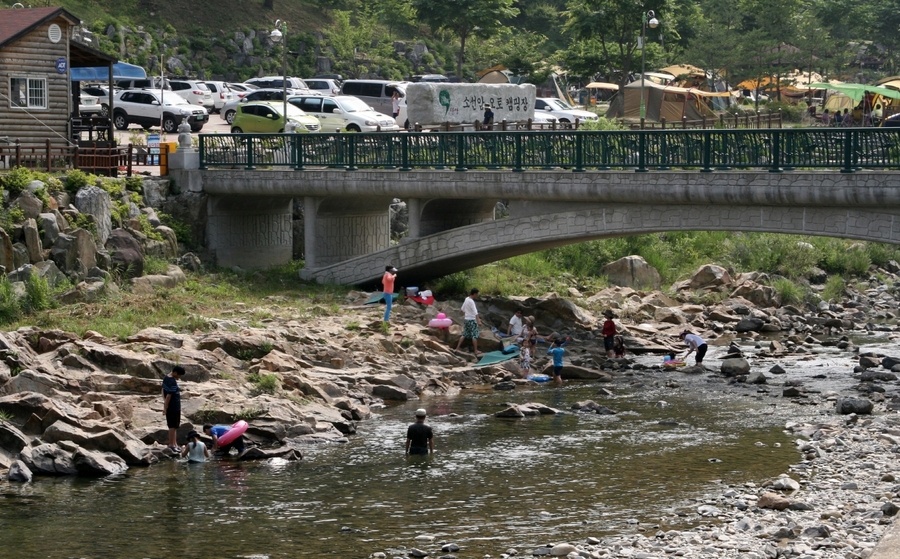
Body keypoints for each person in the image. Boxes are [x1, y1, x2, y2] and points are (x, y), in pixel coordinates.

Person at [162, 365, 186, 452]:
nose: (179, 377)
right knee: (172, 425)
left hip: (174, 406)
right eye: (179, 375)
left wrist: (164, 402)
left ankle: (174, 443)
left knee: (175, 426)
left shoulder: (166, 377)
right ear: (175, 373)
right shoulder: (171, 381)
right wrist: (165, 407)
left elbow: (163, 390)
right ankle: (171, 444)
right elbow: (168, 395)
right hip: (173, 407)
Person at [455, 288, 483, 357]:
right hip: (472, 320)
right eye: (477, 294)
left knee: (464, 334)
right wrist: (478, 321)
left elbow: (462, 309)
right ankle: (476, 350)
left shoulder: (466, 299)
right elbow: (475, 312)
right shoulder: (471, 301)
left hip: (466, 320)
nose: (477, 295)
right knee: (474, 335)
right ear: (474, 294)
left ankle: (457, 348)